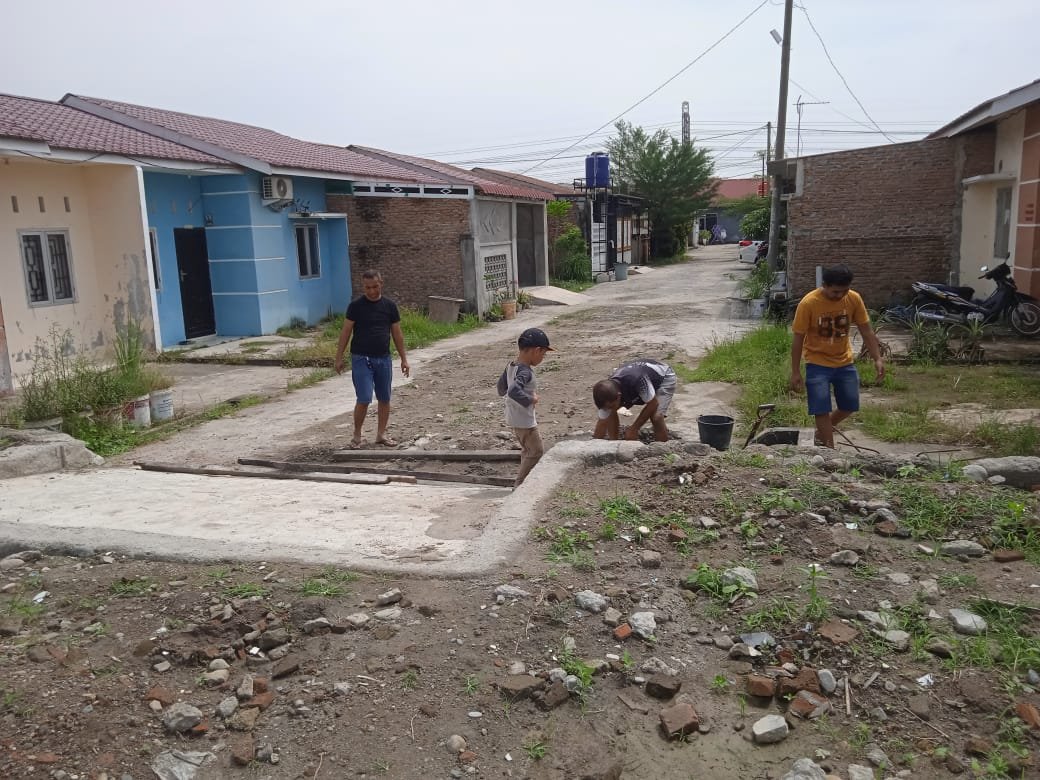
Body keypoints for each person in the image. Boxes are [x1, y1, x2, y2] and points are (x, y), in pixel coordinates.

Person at [789, 263, 885, 449]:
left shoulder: (854, 299)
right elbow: (798, 338)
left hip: (844, 361)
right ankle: (829, 449)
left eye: (844, 291)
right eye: (835, 292)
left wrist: (877, 358)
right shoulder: (808, 303)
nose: (840, 296)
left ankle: (822, 432)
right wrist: (795, 372)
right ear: (824, 285)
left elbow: (866, 330)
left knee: (849, 405)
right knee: (820, 408)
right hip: (816, 363)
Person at [334, 269, 410, 448]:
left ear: (381, 284)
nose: (371, 291)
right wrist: (338, 357)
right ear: (364, 287)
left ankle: (381, 434)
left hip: (383, 358)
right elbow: (345, 332)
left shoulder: (390, 306)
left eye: (375, 286)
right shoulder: (356, 306)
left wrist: (404, 359)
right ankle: (357, 436)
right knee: (364, 398)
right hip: (361, 358)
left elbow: (397, 334)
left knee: (384, 397)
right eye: (368, 287)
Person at [496, 328, 554, 487]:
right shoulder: (525, 372)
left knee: (527, 450)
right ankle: (520, 485)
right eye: (543, 354)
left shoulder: (511, 365)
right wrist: (531, 399)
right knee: (536, 451)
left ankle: (524, 481)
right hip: (524, 420)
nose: (543, 357)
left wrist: (511, 398)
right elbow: (513, 390)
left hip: (513, 416)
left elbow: (501, 388)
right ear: (536, 350)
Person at [593, 359, 677, 442]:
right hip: (636, 384)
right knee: (611, 411)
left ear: (619, 396)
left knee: (656, 417)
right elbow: (603, 420)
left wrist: (634, 428)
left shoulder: (637, 379)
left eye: (611, 405)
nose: (610, 408)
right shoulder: (609, 391)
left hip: (664, 377)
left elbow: (653, 403)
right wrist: (597, 444)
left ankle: (663, 447)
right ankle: (614, 440)